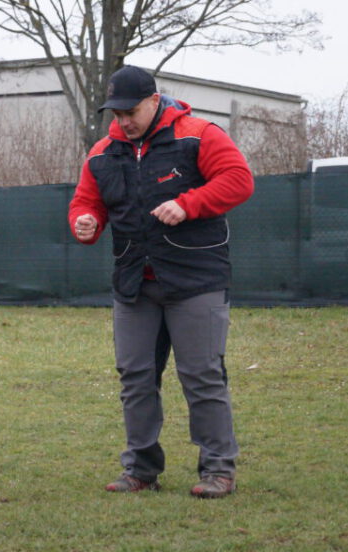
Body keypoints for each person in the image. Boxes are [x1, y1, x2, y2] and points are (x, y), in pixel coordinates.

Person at [68, 65, 253, 499]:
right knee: (134, 376)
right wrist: (84, 222)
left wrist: (189, 204)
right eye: (115, 113)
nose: (122, 121)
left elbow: (238, 180)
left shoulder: (198, 135)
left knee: (202, 375)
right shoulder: (102, 152)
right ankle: (141, 469)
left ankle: (218, 469)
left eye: (130, 111)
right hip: (134, 281)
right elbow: (85, 202)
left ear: (154, 101)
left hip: (195, 279)